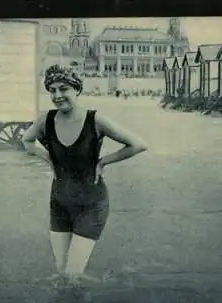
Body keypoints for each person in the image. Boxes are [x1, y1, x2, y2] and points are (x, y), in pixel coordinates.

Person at [22, 65, 148, 285]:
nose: (57, 95)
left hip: (92, 204)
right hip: (59, 203)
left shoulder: (95, 121)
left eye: (63, 89)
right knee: (62, 275)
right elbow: (26, 140)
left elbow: (138, 144)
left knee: (72, 275)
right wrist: (49, 158)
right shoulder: (46, 121)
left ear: (77, 89)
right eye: (52, 90)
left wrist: (103, 162)